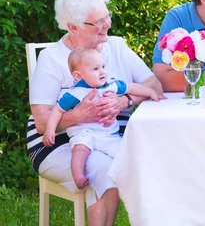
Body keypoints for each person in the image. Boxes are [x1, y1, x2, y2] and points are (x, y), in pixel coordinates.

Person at [28, 0, 164, 225]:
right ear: (73, 26)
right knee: (104, 170)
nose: (108, 25)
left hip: (111, 135)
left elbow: (154, 86)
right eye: (98, 22)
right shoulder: (52, 58)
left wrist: (124, 101)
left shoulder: (116, 48)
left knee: (154, 160)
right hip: (56, 141)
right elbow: (41, 122)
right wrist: (82, 115)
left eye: (107, 16)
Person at [42, 48, 162, 190]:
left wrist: (151, 92)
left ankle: (133, 183)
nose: (102, 72)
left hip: (108, 135)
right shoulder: (75, 93)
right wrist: (50, 130)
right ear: (78, 76)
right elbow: (57, 111)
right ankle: (78, 176)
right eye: (95, 69)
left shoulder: (111, 85)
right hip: (84, 133)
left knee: (123, 154)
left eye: (103, 67)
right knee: (80, 149)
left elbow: (133, 88)